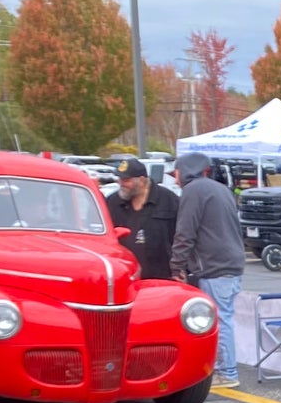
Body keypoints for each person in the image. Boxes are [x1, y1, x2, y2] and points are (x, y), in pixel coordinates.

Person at [170, 151, 245, 388]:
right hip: (231, 263)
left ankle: (227, 372)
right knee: (224, 317)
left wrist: (177, 267)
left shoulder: (194, 191)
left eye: (176, 173)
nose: (175, 179)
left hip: (215, 266)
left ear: (185, 171)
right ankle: (224, 369)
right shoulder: (221, 189)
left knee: (219, 319)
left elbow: (185, 232)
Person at [105, 156, 177, 280]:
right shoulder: (112, 202)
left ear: (142, 181)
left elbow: (183, 237)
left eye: (126, 180)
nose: (121, 183)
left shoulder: (169, 200)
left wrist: (180, 269)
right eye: (120, 179)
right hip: (125, 276)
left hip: (162, 277)